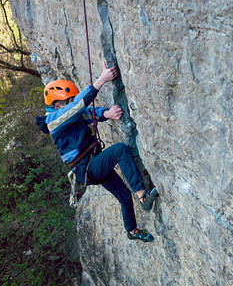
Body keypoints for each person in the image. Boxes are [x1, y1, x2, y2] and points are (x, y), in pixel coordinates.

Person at [36, 62, 158, 242]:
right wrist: (101, 80)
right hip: (87, 168)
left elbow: (85, 111)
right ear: (58, 104)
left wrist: (106, 114)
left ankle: (131, 231)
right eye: (69, 101)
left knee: (124, 195)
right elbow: (78, 107)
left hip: (92, 163)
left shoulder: (66, 115)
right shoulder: (53, 121)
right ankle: (142, 196)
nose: (72, 104)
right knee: (119, 150)